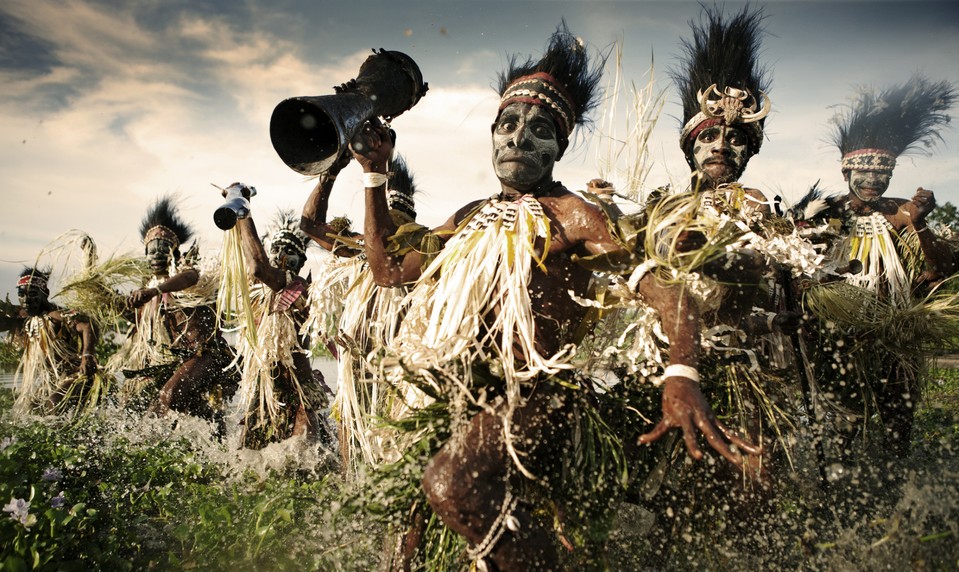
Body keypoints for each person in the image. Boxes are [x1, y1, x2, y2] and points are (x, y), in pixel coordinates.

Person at [351, 24, 760, 570]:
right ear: (492, 134)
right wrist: (374, 175)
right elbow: (386, 271)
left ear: (560, 146)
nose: (519, 137)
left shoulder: (575, 216)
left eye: (540, 128)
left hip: (543, 398)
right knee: (406, 551)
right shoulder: (470, 217)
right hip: (465, 397)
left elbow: (670, 293)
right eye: (509, 124)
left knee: (450, 484)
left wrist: (681, 375)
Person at [800, 74, 958, 462]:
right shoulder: (823, 212)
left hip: (896, 330)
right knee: (840, 414)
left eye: (882, 173)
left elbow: (945, 267)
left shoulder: (904, 210)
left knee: (898, 415)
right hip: (840, 333)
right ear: (846, 171)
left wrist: (919, 223)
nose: (873, 181)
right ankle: (835, 479)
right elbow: (797, 267)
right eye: (865, 172)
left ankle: (893, 478)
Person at [111, 196, 237, 424]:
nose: (157, 254)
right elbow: (139, 325)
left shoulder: (185, 272)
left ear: (175, 251)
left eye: (163, 248)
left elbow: (190, 277)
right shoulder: (150, 289)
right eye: (151, 250)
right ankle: (213, 432)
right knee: (141, 404)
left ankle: (149, 448)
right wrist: (123, 304)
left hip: (206, 355)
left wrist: (154, 292)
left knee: (168, 397)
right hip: (177, 361)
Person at [224, 187, 332, 448]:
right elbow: (253, 263)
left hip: (299, 388)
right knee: (244, 456)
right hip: (264, 392)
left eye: (289, 251)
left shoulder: (300, 291)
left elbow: (258, 267)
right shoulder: (257, 296)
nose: (281, 256)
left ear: (302, 260)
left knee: (303, 452)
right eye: (276, 250)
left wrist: (242, 209)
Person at [0, 267, 99, 415]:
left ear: (44, 293)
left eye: (32, 294)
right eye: (21, 294)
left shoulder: (56, 315)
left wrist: (87, 356)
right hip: (52, 381)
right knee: (29, 409)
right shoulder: (24, 319)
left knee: (53, 403)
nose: (26, 299)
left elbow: (87, 326)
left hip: (74, 376)